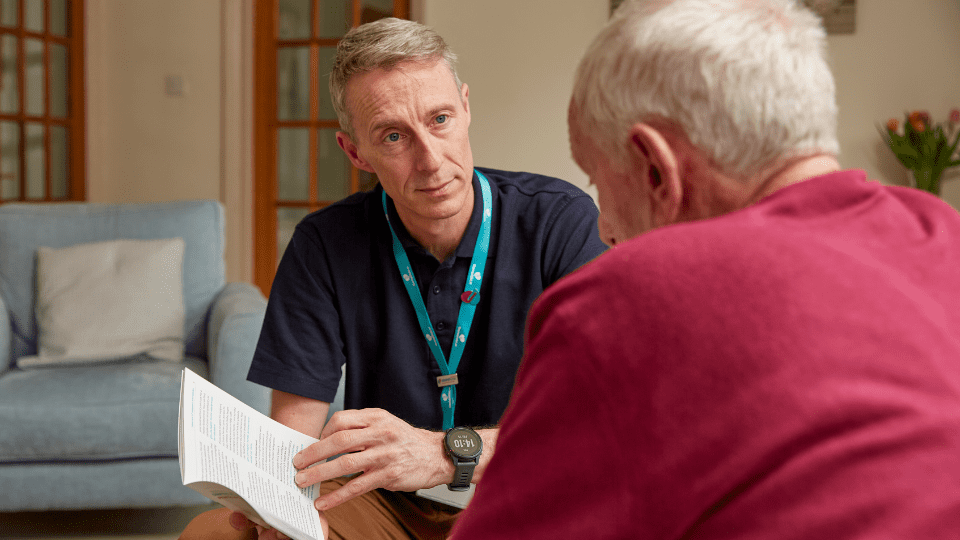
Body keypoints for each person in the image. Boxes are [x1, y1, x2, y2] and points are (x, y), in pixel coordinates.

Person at [450, 0, 960, 538]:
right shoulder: (941, 232)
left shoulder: (628, 297)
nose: (603, 229)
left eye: (596, 178)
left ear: (655, 170)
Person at [180, 16, 607, 540]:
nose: (430, 160)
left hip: (524, 495)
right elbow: (291, 443)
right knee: (217, 533)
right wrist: (279, 507)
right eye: (393, 136)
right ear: (355, 152)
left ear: (466, 108)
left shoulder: (561, 221)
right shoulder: (322, 245)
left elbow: (606, 420)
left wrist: (443, 453)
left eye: (441, 119)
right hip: (387, 503)